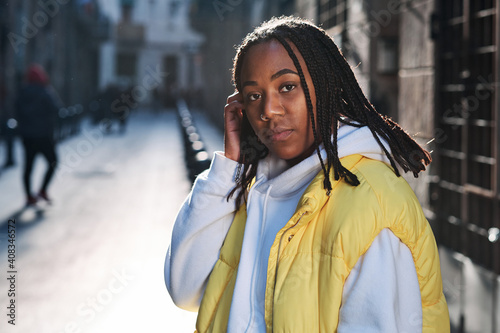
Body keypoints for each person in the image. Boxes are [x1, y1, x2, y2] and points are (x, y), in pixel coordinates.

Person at [165, 16, 450, 332]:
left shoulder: (372, 203)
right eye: (254, 95)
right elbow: (184, 290)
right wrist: (227, 169)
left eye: (287, 87)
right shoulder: (250, 190)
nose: (269, 110)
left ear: (326, 86)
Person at [16, 64, 61, 206]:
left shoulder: (22, 92)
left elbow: (16, 111)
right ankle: (42, 190)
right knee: (53, 161)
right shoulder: (45, 91)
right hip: (43, 135)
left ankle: (29, 196)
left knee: (28, 167)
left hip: (27, 136)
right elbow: (56, 108)